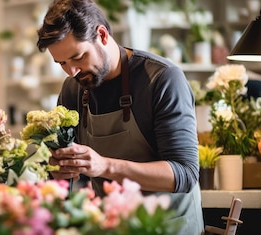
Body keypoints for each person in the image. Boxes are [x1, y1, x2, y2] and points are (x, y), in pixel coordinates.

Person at [36, 0, 204, 234]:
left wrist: (105, 166)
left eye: (78, 57)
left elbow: (184, 174)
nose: (72, 71)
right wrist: (58, 167)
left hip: (167, 227)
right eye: (62, 63)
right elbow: (65, 173)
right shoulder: (73, 89)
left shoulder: (162, 79)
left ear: (102, 35)